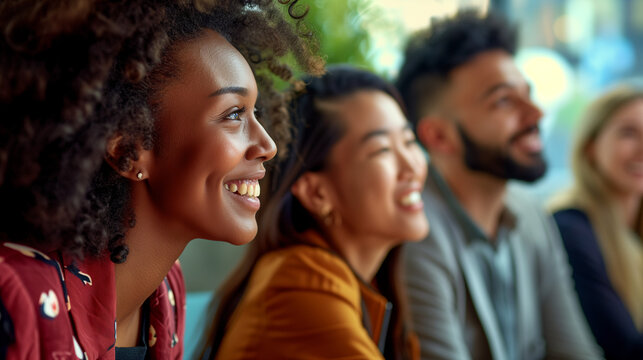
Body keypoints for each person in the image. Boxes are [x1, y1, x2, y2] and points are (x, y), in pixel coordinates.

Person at [0, 0, 322, 358]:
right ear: (129, 149)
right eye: (234, 114)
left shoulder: (165, 291)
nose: (268, 145)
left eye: (256, 112)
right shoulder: (14, 297)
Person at [395, 9, 603, 360]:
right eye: (504, 101)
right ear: (439, 137)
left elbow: (575, 351)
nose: (536, 114)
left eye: (528, 94)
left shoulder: (532, 214)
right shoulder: (416, 232)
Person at [201, 66, 428, 360]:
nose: (413, 166)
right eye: (382, 150)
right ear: (316, 193)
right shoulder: (298, 286)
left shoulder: (363, 283)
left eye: (409, 142)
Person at [550, 85, 643, 359]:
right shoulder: (571, 229)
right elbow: (623, 350)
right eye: (628, 133)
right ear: (590, 147)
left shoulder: (634, 229)